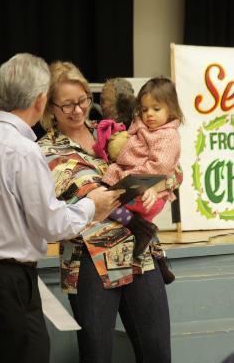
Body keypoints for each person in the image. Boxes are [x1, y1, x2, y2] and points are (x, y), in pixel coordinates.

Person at [0, 53, 123, 363]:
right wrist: (92, 207)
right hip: (10, 280)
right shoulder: (24, 151)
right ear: (41, 101)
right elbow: (51, 224)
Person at [39, 62, 183, 363]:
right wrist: (148, 182)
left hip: (139, 254)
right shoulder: (46, 150)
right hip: (91, 261)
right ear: (50, 106)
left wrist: (158, 185)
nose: (77, 110)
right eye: (67, 105)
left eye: (82, 100)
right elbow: (99, 197)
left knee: (158, 353)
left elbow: (174, 169)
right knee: (97, 356)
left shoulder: (112, 132)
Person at [99, 77, 184, 259]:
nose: (149, 115)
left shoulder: (168, 136)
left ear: (171, 109)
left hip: (146, 192)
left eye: (156, 109)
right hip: (139, 188)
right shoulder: (143, 126)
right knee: (143, 240)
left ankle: (143, 231)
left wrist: (131, 176)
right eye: (144, 110)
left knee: (107, 203)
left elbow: (160, 166)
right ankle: (157, 256)